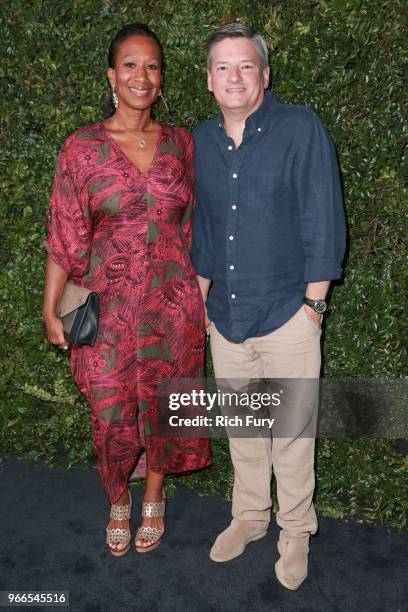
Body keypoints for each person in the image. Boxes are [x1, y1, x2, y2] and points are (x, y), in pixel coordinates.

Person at [43, 23, 211, 557]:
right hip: (108, 312)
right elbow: (64, 233)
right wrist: (51, 309)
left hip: (174, 306)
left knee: (165, 408)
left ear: (162, 79)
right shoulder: (82, 148)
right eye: (131, 65)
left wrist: (201, 295)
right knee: (112, 413)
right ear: (112, 76)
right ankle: (119, 498)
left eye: (153, 66)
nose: (143, 75)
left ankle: (155, 497)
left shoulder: (182, 143)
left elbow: (196, 228)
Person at [192, 24, 346, 590]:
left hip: (288, 314)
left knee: (293, 432)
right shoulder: (201, 141)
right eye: (224, 68)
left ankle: (296, 529)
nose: (235, 77)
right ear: (209, 80)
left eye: (246, 66)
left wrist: (314, 307)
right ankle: (250, 517)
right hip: (227, 319)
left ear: (264, 74)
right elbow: (205, 230)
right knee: (244, 431)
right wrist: (203, 306)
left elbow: (323, 221)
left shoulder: (300, 128)